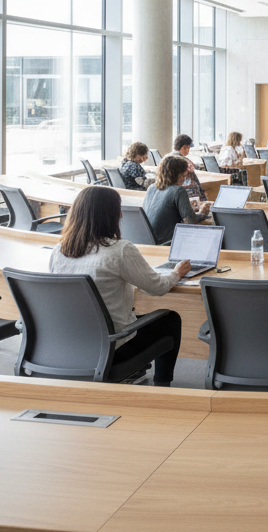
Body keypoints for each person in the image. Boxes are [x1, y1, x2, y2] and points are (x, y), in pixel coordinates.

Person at [48, 185, 186, 386]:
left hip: (71, 344)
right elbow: (156, 288)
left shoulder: (58, 250)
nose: (121, 214)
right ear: (111, 215)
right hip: (112, 349)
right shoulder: (119, 250)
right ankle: (162, 386)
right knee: (170, 319)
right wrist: (176, 273)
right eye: (118, 210)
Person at [144, 155, 211, 244]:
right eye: (184, 175)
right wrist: (203, 213)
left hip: (148, 241)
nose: (185, 178)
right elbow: (190, 221)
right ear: (178, 174)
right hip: (167, 242)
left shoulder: (151, 188)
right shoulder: (178, 190)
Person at [166, 134, 204, 203]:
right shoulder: (184, 161)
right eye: (188, 147)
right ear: (184, 147)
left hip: (167, 193)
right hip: (185, 195)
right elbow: (194, 181)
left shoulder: (166, 158)